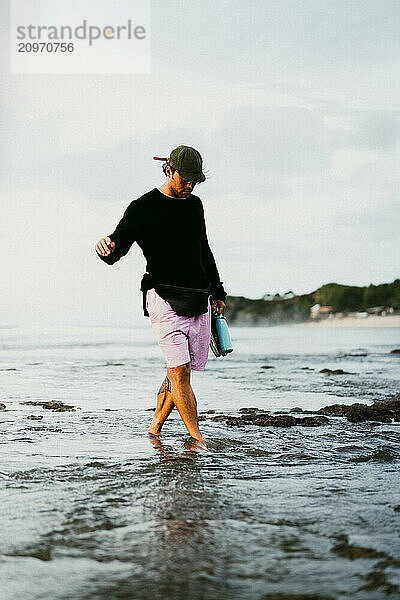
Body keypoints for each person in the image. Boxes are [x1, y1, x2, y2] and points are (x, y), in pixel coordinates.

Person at [95, 145, 226, 449]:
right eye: (185, 180)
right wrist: (108, 248)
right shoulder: (143, 207)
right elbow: (119, 245)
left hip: (197, 297)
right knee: (179, 371)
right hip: (163, 296)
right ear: (169, 170)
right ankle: (197, 439)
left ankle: (155, 428)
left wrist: (217, 291)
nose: (190, 186)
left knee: (179, 369)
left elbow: (204, 250)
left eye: (195, 182)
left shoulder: (195, 206)